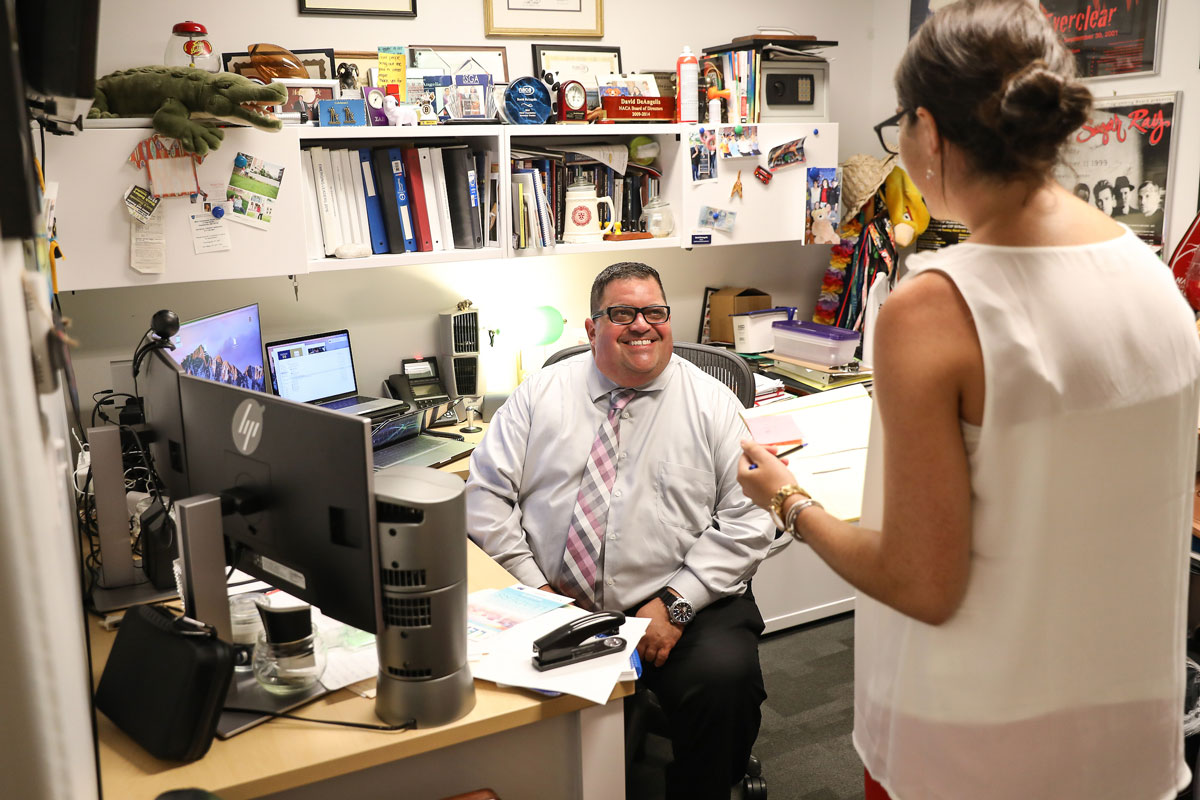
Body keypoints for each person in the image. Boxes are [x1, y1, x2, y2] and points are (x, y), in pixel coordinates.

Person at [738, 1, 1200, 798]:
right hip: (1128, 737)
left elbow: (922, 582)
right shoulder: (1152, 275)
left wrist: (788, 503)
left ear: (927, 128)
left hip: (977, 745)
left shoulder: (937, 305)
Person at [466, 262, 774, 800]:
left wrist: (677, 604)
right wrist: (535, 591)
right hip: (552, 598)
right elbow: (486, 496)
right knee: (495, 705)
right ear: (591, 329)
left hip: (683, 599)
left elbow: (750, 518)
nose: (642, 325)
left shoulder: (713, 405)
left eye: (655, 312)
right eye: (622, 313)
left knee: (726, 684)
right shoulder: (539, 396)